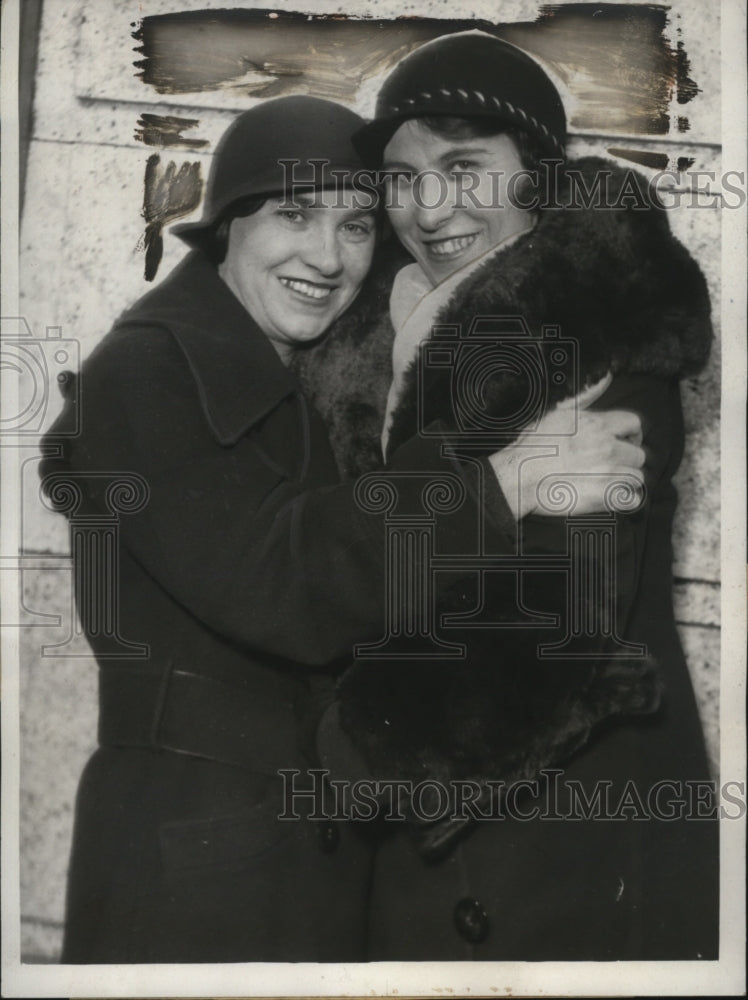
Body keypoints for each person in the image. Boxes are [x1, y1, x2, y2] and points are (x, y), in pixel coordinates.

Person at [40, 93, 644, 963]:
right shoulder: (144, 374)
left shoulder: (310, 373)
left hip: (295, 863)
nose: (327, 257)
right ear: (227, 229)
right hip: (196, 871)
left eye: (358, 226)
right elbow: (283, 578)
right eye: (294, 214)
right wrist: (501, 485)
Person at [297, 33, 718, 960]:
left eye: (464, 167)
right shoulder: (376, 327)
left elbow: (559, 613)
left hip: (563, 831)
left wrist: (354, 752)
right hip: (420, 846)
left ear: (538, 177)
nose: (428, 207)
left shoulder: (600, 330)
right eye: (403, 179)